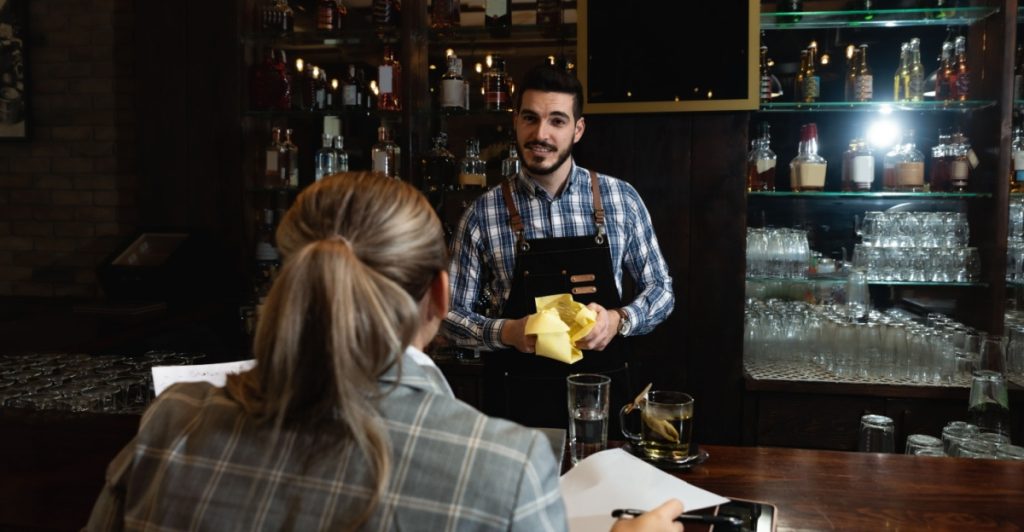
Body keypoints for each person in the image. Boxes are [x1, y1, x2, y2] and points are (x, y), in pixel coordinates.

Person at [84, 172, 682, 531]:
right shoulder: (507, 468)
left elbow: (659, 290)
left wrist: (621, 317)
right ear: (438, 296)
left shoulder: (171, 423)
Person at [444, 64, 675, 429]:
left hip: (605, 398)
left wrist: (618, 320)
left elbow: (662, 291)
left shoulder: (621, 199)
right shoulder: (482, 213)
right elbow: (449, 314)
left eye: (557, 121)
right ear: (515, 122)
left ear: (578, 129)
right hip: (515, 404)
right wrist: (508, 332)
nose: (541, 134)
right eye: (530, 118)